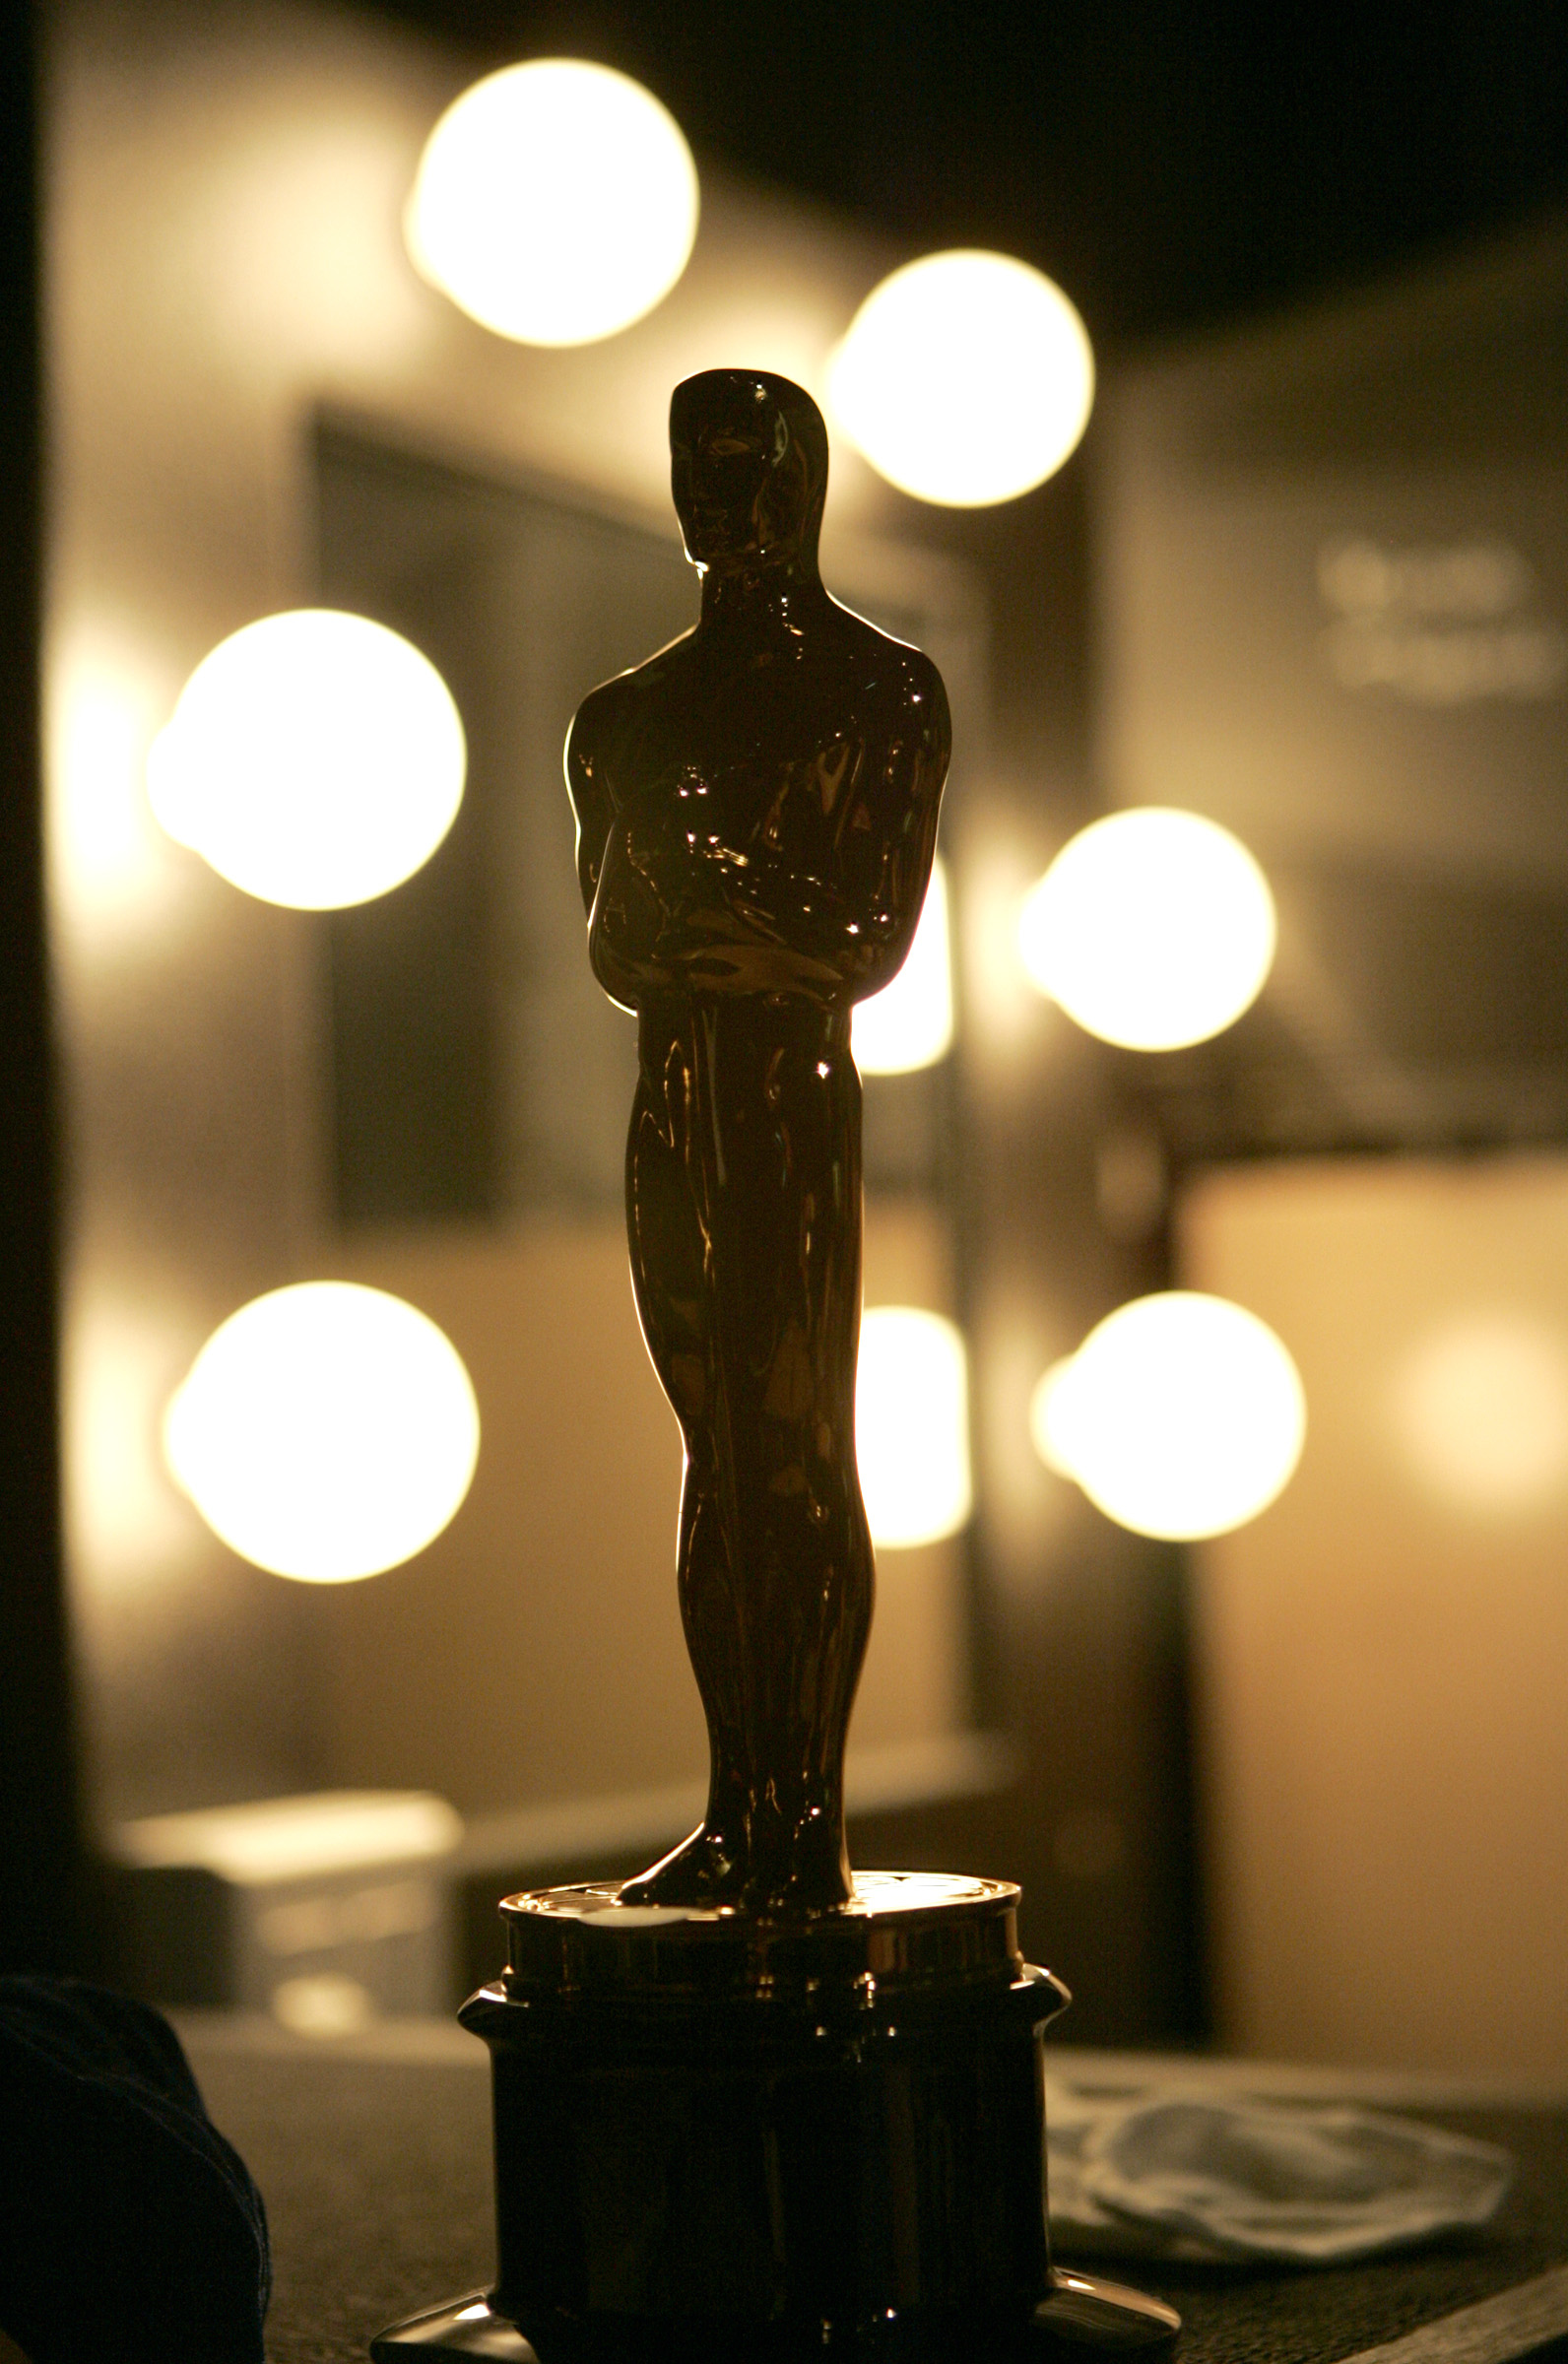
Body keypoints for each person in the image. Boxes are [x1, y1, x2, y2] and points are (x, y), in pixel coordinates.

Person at [566, 369, 950, 1911]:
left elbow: (865, 936)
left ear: (806, 482)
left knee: (795, 1449)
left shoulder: (880, 689)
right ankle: (745, 1808)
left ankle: (803, 1817)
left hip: (791, 1096)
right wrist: (732, 908)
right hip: (679, 1100)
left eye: (755, 465)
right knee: (717, 1458)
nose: (727, 498)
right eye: (701, 467)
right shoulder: (626, 715)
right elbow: (620, 946)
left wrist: (719, 889)